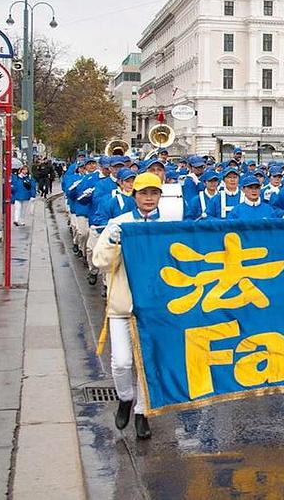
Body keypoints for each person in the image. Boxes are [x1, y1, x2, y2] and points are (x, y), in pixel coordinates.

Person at [92, 172, 167, 440]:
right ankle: (125, 397)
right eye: (143, 193)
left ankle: (142, 412)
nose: (149, 198)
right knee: (122, 362)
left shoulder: (168, 225)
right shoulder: (119, 223)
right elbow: (99, 260)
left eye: (154, 193)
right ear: (133, 195)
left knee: (148, 364)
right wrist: (112, 240)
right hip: (123, 306)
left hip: (155, 309)